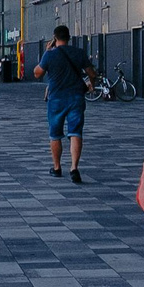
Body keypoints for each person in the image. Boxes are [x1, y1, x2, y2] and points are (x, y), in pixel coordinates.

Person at [30, 24, 93, 182]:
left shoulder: (50, 54)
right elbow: (92, 73)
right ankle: (74, 168)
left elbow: (37, 73)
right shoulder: (79, 53)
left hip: (56, 99)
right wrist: (90, 84)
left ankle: (57, 167)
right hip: (76, 98)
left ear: (54, 38)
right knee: (76, 132)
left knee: (55, 134)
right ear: (69, 37)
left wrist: (46, 52)